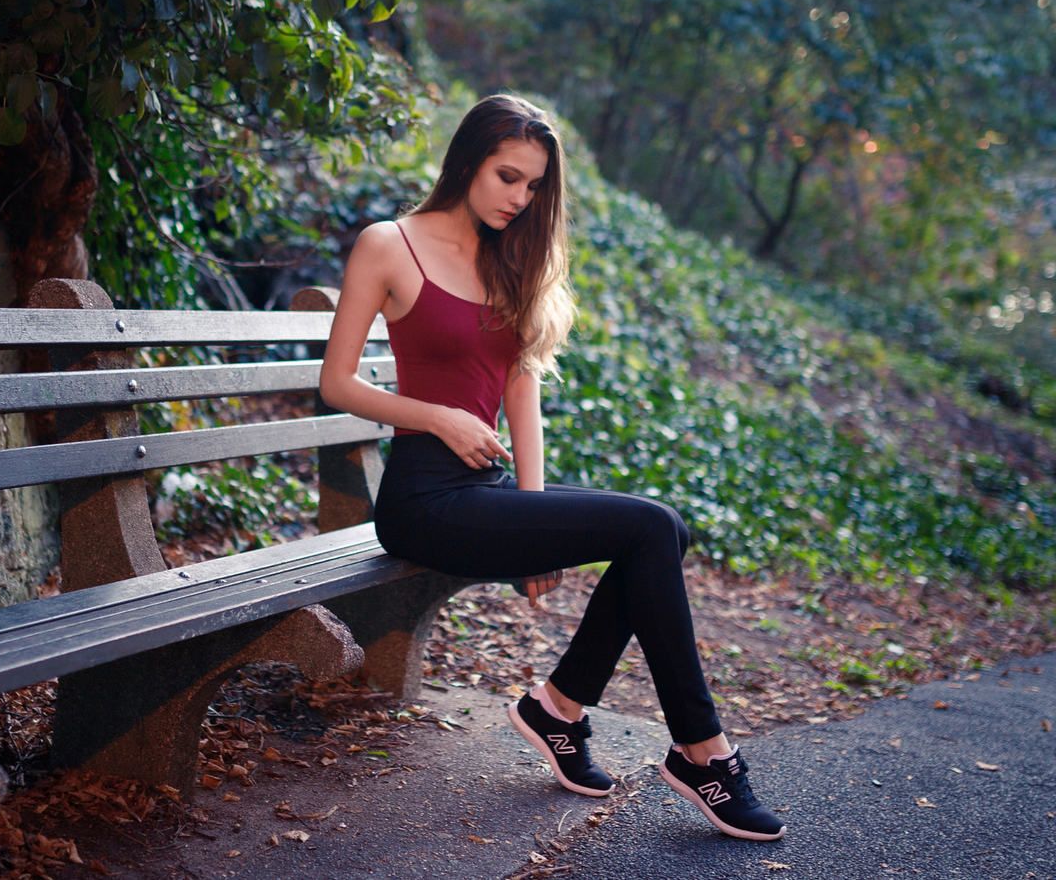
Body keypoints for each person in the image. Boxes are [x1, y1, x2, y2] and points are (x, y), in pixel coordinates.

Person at [318, 93, 785, 842]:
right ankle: (703, 752)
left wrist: (533, 515)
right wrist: (436, 415)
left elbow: (518, 386)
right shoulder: (388, 245)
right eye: (508, 177)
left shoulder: (508, 257)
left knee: (666, 529)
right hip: (421, 500)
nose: (520, 198)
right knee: (649, 527)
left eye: (534, 186)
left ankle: (559, 708)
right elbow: (337, 382)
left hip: (486, 492)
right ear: (467, 160)